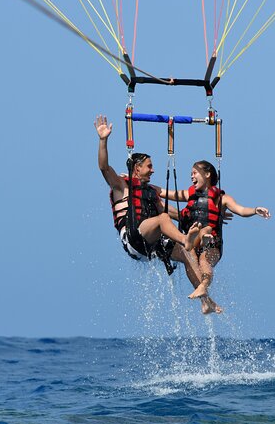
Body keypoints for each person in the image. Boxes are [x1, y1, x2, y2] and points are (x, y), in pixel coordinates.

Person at [95, 115, 224, 314]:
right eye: (149, 166)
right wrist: (103, 140)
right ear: (137, 169)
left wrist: (211, 214)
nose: (153, 170)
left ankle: (205, 301)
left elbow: (175, 213)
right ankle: (184, 239)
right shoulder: (122, 186)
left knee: (187, 253)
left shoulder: (151, 193)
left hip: (151, 243)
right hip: (133, 239)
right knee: (169, 226)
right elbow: (103, 167)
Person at [161, 160, 271, 300]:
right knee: (190, 258)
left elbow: (241, 210)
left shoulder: (221, 198)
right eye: (191, 174)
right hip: (193, 242)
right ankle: (206, 302)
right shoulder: (189, 195)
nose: (191, 177)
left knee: (204, 260)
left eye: (194, 173)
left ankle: (203, 285)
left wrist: (255, 210)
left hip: (213, 244)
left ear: (207, 174)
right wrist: (135, 183)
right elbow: (163, 192)